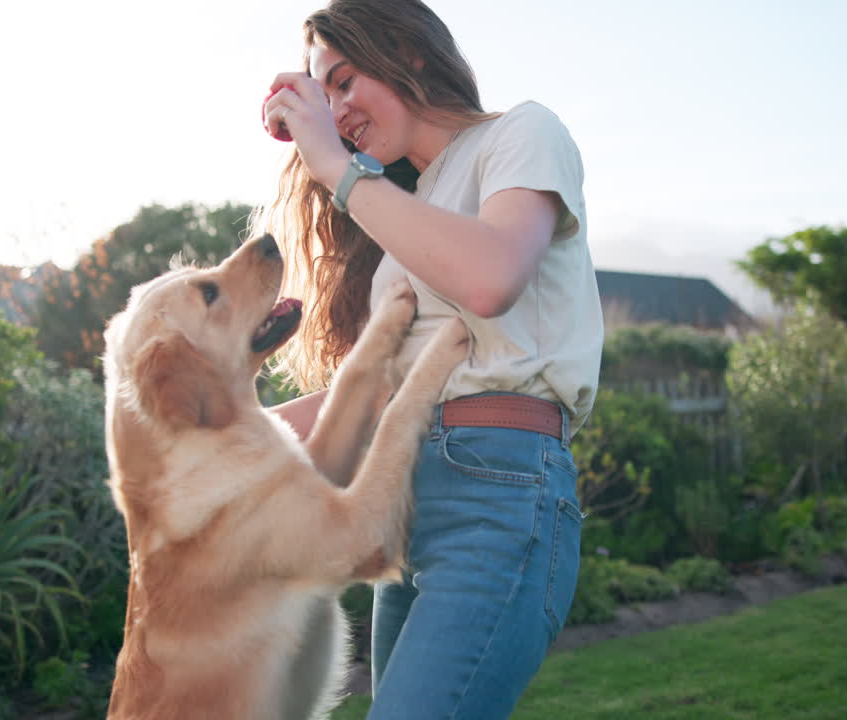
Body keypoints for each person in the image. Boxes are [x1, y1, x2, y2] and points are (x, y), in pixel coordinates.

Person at [255, 1, 603, 717]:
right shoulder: (408, 211)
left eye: (347, 82)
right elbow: (375, 394)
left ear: (410, 53)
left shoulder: (522, 134)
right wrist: (211, 433)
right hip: (403, 502)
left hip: (497, 490)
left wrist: (336, 167)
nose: (339, 111)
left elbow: (491, 277)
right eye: (327, 97)